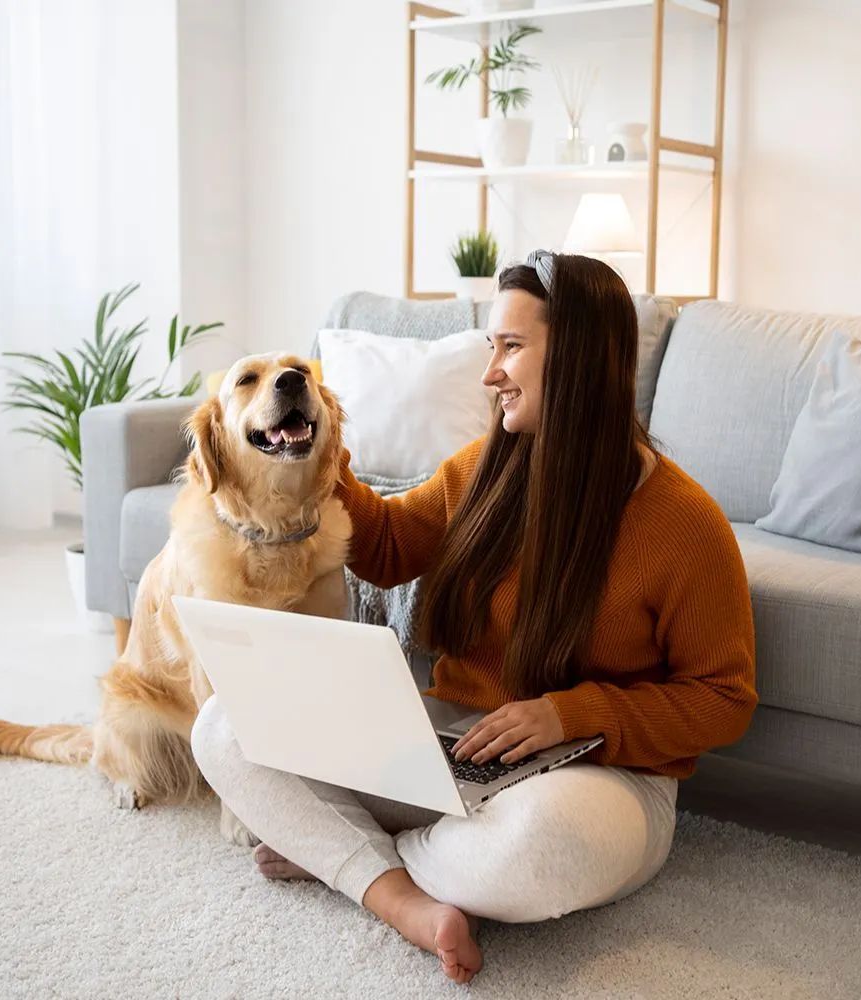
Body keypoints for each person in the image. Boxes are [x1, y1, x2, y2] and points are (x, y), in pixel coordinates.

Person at [191, 250, 757, 985]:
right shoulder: (485, 467)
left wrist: (570, 713)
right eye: (492, 346)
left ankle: (348, 857)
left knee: (537, 853)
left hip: (597, 778)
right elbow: (390, 548)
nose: (491, 372)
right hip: (454, 752)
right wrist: (326, 455)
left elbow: (724, 701)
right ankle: (407, 897)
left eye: (512, 347)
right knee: (226, 727)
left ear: (582, 357)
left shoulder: (685, 523)